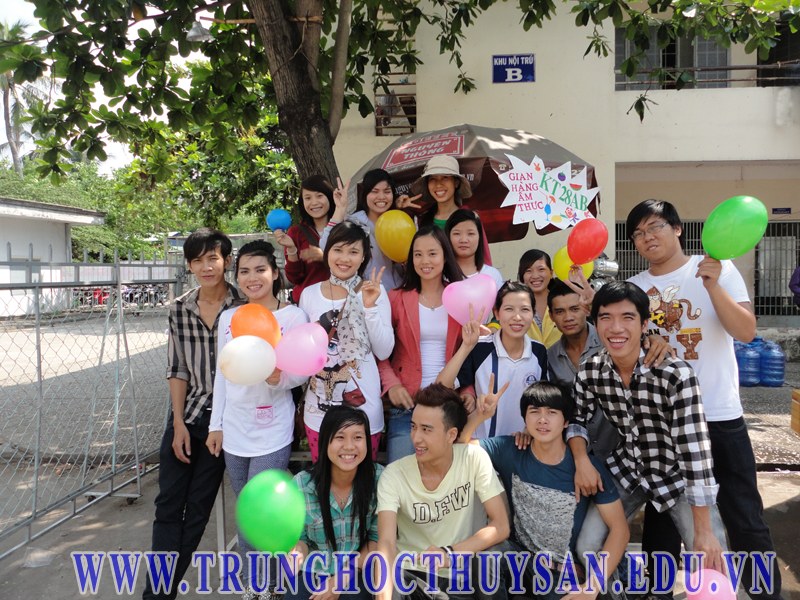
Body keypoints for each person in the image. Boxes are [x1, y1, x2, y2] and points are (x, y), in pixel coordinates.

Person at [625, 199, 782, 599]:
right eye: (638, 233)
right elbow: (625, 343)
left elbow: (746, 331)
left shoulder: (716, 268)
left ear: (677, 228)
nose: (647, 238)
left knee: (743, 517)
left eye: (655, 227)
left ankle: (766, 594)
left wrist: (712, 286)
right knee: (662, 523)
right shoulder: (636, 288)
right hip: (662, 423)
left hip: (718, 413)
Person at [567, 282, 727, 580]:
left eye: (627, 317)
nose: (616, 328)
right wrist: (581, 460)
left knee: (711, 558)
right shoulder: (591, 371)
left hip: (676, 476)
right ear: (595, 323)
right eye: (605, 317)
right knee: (588, 546)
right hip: (627, 469)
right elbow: (577, 419)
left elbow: (695, 452)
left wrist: (704, 530)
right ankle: (620, 592)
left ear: (644, 324)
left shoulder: (675, 374)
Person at [206, 241, 309, 600]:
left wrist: (280, 377)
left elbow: (302, 372)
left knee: (257, 508)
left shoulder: (293, 317)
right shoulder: (228, 319)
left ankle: (263, 584)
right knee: (246, 508)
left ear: (275, 273)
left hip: (273, 429)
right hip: (235, 430)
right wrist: (215, 425)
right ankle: (259, 580)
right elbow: (223, 375)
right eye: (245, 271)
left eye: (260, 270)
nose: (253, 278)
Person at [460, 380, 629, 600]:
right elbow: (459, 448)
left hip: (562, 576)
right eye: (534, 411)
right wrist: (479, 416)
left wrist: (592, 586)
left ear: (566, 421)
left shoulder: (587, 469)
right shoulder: (510, 450)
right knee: (488, 555)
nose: (542, 419)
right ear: (524, 418)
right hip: (521, 566)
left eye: (552, 412)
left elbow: (620, 529)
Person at [143, 228, 243, 600]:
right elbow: (178, 369)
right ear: (189, 265)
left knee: (198, 508)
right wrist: (178, 423)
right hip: (189, 416)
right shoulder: (179, 309)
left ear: (227, 261)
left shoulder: (244, 306)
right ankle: (158, 592)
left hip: (226, 422)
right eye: (198, 260)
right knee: (168, 504)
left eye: (213, 258)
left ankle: (161, 591)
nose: (206, 267)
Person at [376, 383, 510, 600]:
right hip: (412, 576)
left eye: (426, 429)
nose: (416, 438)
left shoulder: (473, 459)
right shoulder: (393, 475)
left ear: (451, 435)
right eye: (413, 427)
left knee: (489, 561)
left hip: (461, 578)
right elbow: (387, 544)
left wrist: (450, 553)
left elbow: (500, 526)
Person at [299, 221, 394, 462]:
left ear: (363, 257)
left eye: (353, 251)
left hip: (364, 410)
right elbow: (304, 353)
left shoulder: (375, 291)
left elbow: (384, 351)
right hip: (318, 411)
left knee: (362, 480)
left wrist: (370, 309)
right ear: (327, 252)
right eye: (338, 250)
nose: (344, 258)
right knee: (323, 479)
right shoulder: (310, 294)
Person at [378, 226, 465, 462]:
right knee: (400, 475)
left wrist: (468, 390)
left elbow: (469, 351)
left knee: (444, 478)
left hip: (448, 405)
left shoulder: (460, 297)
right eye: (418, 254)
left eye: (432, 253)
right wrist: (392, 384)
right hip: (407, 405)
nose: (425, 261)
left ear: (445, 256)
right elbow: (379, 350)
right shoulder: (396, 298)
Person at [287, 406, 383, 600]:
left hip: (356, 568)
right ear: (325, 442)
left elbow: (376, 540)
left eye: (357, 437)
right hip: (314, 568)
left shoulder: (379, 480)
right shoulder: (301, 485)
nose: (349, 446)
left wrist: (340, 579)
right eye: (340, 437)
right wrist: (296, 554)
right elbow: (301, 540)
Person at [437, 281, 548, 439]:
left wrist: (529, 431)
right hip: (483, 445)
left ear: (533, 313)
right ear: (497, 313)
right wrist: (466, 346)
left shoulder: (539, 351)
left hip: (523, 444)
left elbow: (543, 401)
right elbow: (441, 387)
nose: (517, 317)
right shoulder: (480, 348)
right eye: (509, 309)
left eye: (525, 309)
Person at [321, 169, 405, 290]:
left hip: (396, 289)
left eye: (387, 191)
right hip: (367, 292)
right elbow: (326, 245)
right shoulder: (356, 223)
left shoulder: (396, 221)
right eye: (374, 191)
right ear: (365, 194)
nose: (381, 197)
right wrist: (340, 208)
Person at [402, 154, 492, 264]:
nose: (438, 184)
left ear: (456, 183)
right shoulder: (422, 220)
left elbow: (484, 259)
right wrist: (402, 210)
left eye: (445, 177)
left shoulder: (470, 219)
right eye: (433, 179)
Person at [275, 175, 336, 304]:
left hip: (341, 300)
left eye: (319, 196)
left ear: (330, 197)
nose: (314, 202)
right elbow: (294, 278)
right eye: (308, 198)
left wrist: (324, 257)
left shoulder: (344, 228)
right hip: (309, 303)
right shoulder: (295, 232)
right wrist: (292, 249)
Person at [445, 208, 504, 292]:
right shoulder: (440, 275)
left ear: (480, 237)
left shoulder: (492, 275)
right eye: (457, 233)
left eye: (470, 234)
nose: (463, 240)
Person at [518, 249, 561, 347]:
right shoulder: (516, 305)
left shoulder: (562, 301)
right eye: (528, 271)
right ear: (522, 276)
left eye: (541, 269)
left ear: (551, 273)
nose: (535, 276)